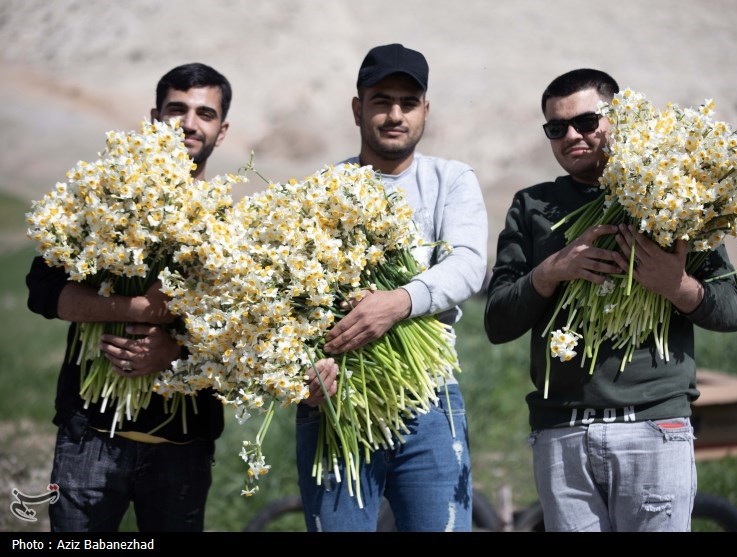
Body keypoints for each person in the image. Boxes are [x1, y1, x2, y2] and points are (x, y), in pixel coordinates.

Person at [26, 62, 336, 532]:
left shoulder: (234, 229)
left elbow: (245, 337)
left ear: (222, 130)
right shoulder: (105, 199)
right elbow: (41, 291)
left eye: (204, 114)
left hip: (183, 450)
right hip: (89, 437)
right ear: (155, 117)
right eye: (177, 109)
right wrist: (132, 308)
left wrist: (176, 353)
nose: (189, 123)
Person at [483, 68, 737, 532]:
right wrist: (553, 270)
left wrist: (674, 284)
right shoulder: (532, 206)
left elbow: (731, 311)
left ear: (618, 120)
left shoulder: (677, 192)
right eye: (556, 128)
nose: (571, 136)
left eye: (586, 122)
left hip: (654, 426)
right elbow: (497, 322)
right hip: (562, 431)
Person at [295, 43, 488, 532]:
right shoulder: (322, 189)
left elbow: (466, 265)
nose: (394, 115)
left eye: (408, 102)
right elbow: (290, 298)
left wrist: (398, 303)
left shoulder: (451, 180)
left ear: (425, 110)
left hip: (430, 398)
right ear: (358, 108)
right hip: (338, 397)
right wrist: (304, 368)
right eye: (381, 101)